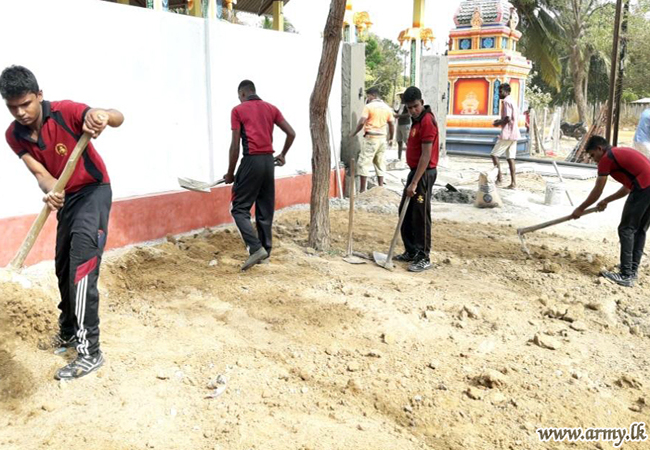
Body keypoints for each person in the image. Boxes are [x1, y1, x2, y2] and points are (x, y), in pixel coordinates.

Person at [1, 65, 124, 380]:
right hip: (67, 197)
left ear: (39, 96)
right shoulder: (13, 135)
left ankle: (89, 352)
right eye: (11, 106)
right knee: (63, 266)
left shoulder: (65, 112)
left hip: (93, 191)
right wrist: (51, 192)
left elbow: (115, 115)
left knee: (81, 269)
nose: (20, 112)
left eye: (26, 104)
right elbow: (41, 174)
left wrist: (102, 117)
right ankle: (68, 331)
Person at [224, 80, 295, 271]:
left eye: (239, 96)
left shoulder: (238, 110)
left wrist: (231, 173)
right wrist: (282, 155)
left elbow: (235, 145)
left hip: (251, 161)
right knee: (265, 209)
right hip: (268, 162)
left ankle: (255, 248)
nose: (239, 99)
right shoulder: (271, 108)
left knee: (238, 208)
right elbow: (291, 133)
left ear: (243, 93)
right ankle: (265, 255)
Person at [572, 135, 650, 287]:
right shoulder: (619, 154)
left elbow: (598, 190)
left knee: (626, 229)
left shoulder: (607, 158)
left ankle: (626, 275)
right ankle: (631, 270)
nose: (594, 160)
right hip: (646, 186)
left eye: (593, 155)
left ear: (600, 149)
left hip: (644, 187)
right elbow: (627, 188)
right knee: (639, 229)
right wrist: (607, 201)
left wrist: (580, 209)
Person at [393, 86, 439, 273]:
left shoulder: (427, 121)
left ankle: (423, 256)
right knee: (405, 211)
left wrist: (414, 183)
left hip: (424, 173)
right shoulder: (416, 121)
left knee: (420, 215)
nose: (413, 110)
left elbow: (426, 156)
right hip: (415, 172)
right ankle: (411, 250)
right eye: (409, 107)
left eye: (415, 106)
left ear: (421, 102)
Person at [350, 87, 395, 193]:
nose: (367, 98)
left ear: (372, 95)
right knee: (380, 162)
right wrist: (391, 137)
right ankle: (380, 188)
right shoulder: (387, 108)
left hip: (371, 138)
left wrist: (354, 133)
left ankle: (362, 190)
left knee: (364, 163)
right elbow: (392, 124)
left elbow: (361, 122)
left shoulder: (369, 107)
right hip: (382, 139)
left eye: (368, 96)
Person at [490, 83, 520, 189]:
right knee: (510, 158)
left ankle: (499, 179)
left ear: (506, 92)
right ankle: (513, 183)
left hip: (507, 133)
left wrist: (498, 122)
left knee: (494, 154)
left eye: (500, 92)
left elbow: (507, 118)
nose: (499, 94)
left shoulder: (506, 101)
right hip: (514, 133)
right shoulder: (513, 100)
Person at [394, 91, 411, 161]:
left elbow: (409, 114)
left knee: (407, 142)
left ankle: (410, 157)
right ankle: (399, 158)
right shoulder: (402, 104)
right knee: (399, 141)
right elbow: (399, 112)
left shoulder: (407, 104)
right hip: (400, 124)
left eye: (402, 95)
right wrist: (395, 111)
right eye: (400, 96)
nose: (400, 97)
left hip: (405, 124)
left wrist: (398, 115)